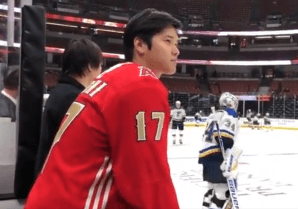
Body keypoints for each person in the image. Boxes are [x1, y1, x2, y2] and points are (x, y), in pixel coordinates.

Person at [25, 8, 182, 209]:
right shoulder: (142, 85)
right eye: (168, 41)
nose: (176, 51)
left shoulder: (116, 77)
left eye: (177, 43)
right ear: (140, 44)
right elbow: (146, 179)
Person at [34, 38, 103, 177]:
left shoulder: (61, 91)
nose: (101, 71)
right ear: (90, 67)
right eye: (100, 66)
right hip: (59, 180)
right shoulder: (74, 98)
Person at [199, 92, 242, 209]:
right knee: (224, 193)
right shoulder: (230, 113)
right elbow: (224, 136)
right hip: (217, 155)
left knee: (211, 189)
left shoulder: (213, 115)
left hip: (205, 155)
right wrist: (228, 157)